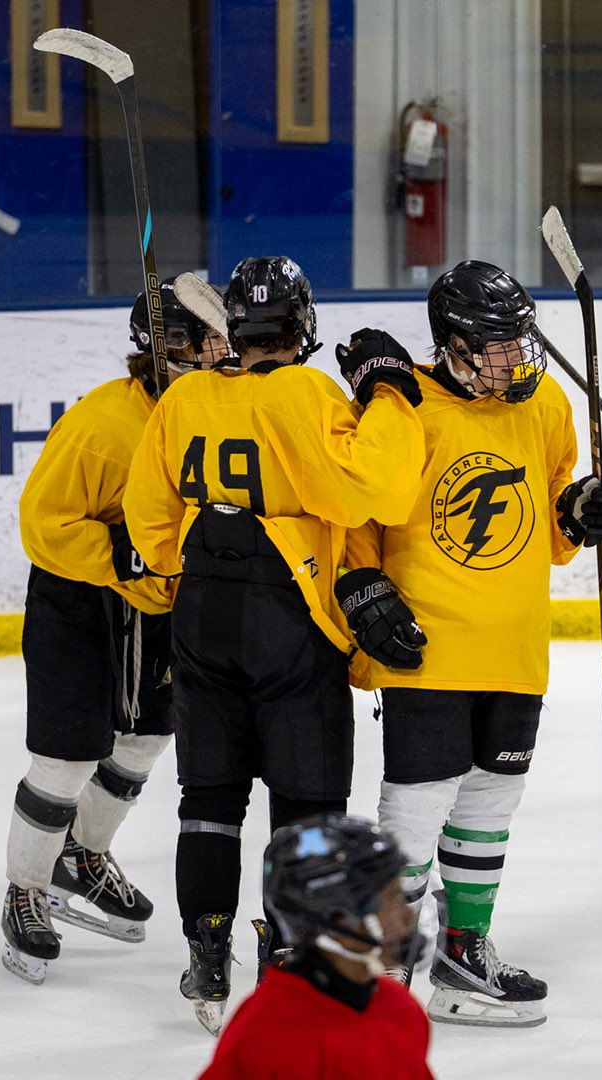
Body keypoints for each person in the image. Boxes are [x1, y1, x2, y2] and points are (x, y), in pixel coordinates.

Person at [122, 256, 426, 1034]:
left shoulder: (184, 396)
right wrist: (390, 392)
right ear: (303, 325)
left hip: (201, 615)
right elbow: (377, 489)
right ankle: (289, 956)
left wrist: (200, 554)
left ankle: (206, 953)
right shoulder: (306, 392)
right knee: (307, 802)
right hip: (289, 617)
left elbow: (150, 527)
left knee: (209, 797)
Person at [336, 260, 602, 1027]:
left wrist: (582, 511)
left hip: (516, 649)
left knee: (491, 804)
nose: (514, 357)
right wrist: (361, 584)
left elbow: (553, 523)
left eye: (518, 340)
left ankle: (463, 956)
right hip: (428, 647)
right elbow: (360, 506)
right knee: (416, 808)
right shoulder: (406, 404)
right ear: (454, 345)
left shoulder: (545, 404)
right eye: (497, 344)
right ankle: (384, 966)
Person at [2, 278, 225, 985]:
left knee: (147, 738)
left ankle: (82, 855)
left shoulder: (211, 412)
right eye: (205, 341)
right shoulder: (102, 425)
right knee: (66, 758)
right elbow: (43, 524)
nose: (220, 352)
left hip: (155, 606)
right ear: (168, 347)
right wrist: (120, 553)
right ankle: (25, 890)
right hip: (79, 604)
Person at [197, 814, 434, 1080]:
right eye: (392, 900)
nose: (407, 915)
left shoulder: (399, 1008)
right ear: (338, 918)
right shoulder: (270, 1037)